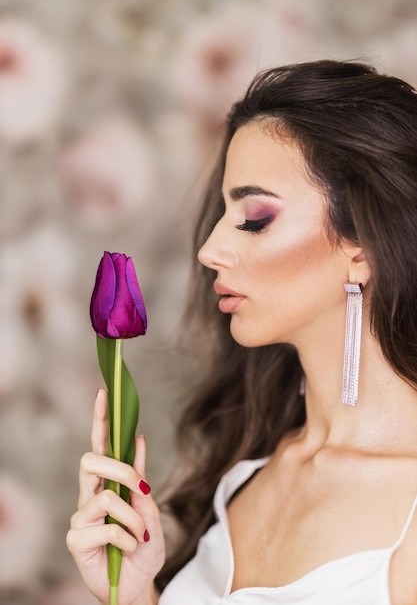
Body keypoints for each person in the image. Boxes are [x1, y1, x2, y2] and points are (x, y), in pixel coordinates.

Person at [67, 59, 417, 605]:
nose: (208, 251)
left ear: (362, 247)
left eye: (253, 217)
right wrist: (133, 593)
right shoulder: (244, 472)